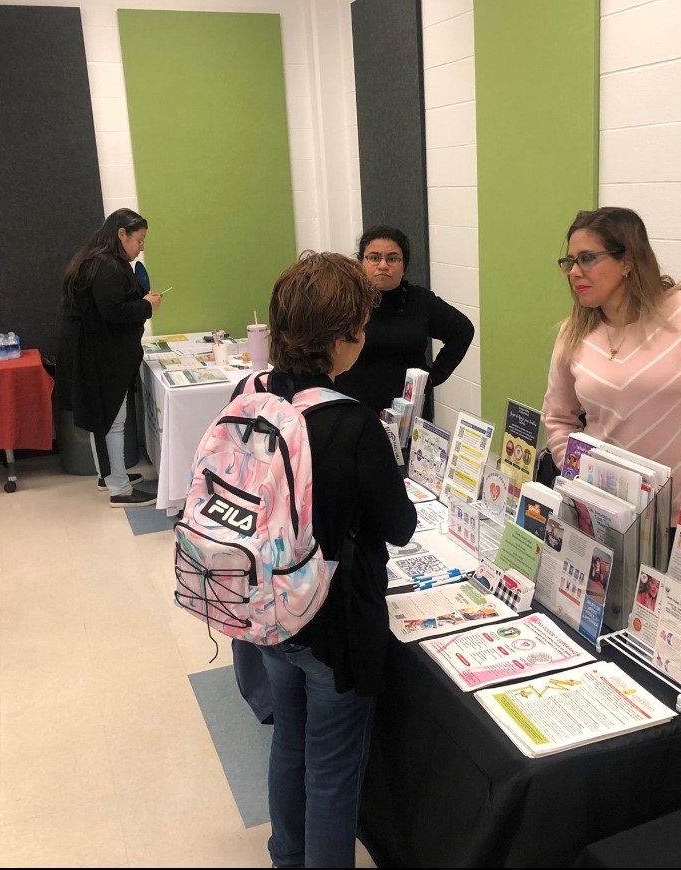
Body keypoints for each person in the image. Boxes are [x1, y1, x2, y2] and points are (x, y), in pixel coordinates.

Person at [256, 251, 417, 868]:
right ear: (346, 336)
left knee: (289, 746)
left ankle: (285, 855)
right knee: (332, 770)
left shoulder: (255, 393)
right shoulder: (351, 424)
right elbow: (398, 527)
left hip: (267, 606)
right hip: (335, 624)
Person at [542, 207, 681, 541]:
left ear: (627, 261)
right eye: (570, 261)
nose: (574, 272)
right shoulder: (572, 334)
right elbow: (558, 420)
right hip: (611, 517)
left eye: (587, 258)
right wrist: (579, 478)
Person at [58, 208, 162, 507]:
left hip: (91, 350)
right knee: (112, 421)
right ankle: (120, 489)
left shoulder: (96, 261)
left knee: (101, 417)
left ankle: (109, 475)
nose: (141, 247)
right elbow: (113, 312)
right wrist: (147, 305)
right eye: (138, 240)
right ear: (121, 234)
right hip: (98, 354)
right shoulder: (107, 267)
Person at [333, 225, 474, 420]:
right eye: (374, 257)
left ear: (403, 265)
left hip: (409, 415)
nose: (383, 265)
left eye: (392, 258)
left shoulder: (421, 301)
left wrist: (433, 378)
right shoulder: (345, 301)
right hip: (354, 411)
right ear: (361, 262)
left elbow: (463, 331)